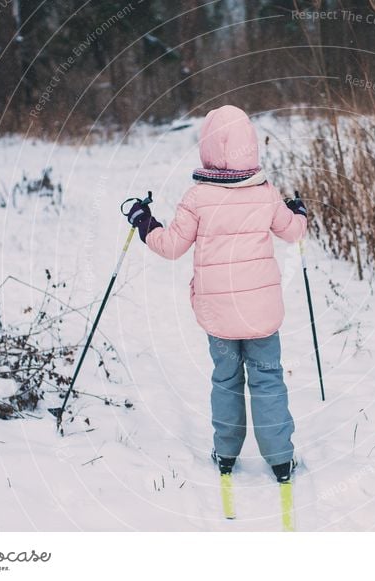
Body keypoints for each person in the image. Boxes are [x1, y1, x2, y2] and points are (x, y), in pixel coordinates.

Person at [125, 105, 307, 483]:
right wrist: (298, 211)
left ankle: (225, 453)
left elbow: (172, 246)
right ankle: (279, 458)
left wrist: (145, 222)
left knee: (226, 380)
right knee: (268, 379)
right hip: (261, 316)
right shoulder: (266, 194)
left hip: (219, 316)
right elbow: (292, 232)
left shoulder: (197, 198)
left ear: (206, 148)